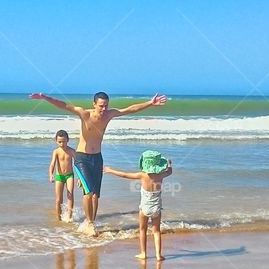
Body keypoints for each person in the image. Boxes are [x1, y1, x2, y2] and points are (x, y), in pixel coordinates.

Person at [30, 91, 168, 236]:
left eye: (106, 106)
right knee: (88, 193)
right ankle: (89, 223)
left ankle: (92, 222)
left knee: (95, 195)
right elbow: (64, 106)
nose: (104, 109)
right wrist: (45, 98)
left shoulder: (109, 115)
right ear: (94, 104)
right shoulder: (85, 114)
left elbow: (130, 109)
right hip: (82, 158)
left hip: (97, 158)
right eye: (101, 106)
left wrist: (150, 103)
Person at [103, 151, 173, 260]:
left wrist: (110, 170)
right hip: (156, 208)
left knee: (142, 229)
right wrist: (169, 164)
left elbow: (125, 175)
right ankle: (158, 255)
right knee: (156, 231)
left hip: (144, 208)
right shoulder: (161, 175)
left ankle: (143, 253)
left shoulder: (142, 175)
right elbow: (170, 171)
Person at [49, 129, 75, 222]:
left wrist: (80, 178)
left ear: (68, 140)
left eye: (64, 141)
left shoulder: (72, 151)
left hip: (69, 176)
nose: (62, 144)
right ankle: (58, 218)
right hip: (59, 176)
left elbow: (78, 164)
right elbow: (52, 164)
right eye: (59, 142)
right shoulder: (56, 151)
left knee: (70, 195)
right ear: (56, 141)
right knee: (58, 199)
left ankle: (69, 217)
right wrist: (51, 175)